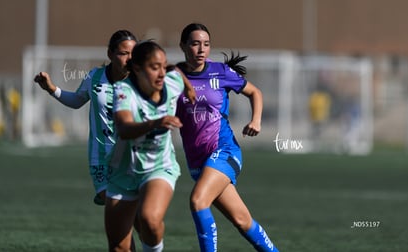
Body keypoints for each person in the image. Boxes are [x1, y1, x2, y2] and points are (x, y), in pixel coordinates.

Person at [176, 23, 280, 252]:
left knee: (197, 201)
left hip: (224, 151)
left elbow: (255, 92)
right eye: (195, 44)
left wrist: (256, 120)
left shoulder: (220, 72)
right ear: (183, 46)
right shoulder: (173, 77)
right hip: (197, 162)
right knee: (243, 220)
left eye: (206, 44)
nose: (201, 49)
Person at [34, 30, 138, 206]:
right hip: (101, 157)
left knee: (135, 216)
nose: (129, 59)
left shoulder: (141, 80)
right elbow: (77, 101)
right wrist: (52, 89)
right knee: (115, 206)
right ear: (110, 54)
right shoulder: (95, 76)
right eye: (123, 53)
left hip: (131, 156)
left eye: (133, 54)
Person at [104, 40, 189, 252]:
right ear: (137, 68)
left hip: (160, 166)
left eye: (163, 66)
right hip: (124, 171)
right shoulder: (124, 91)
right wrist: (156, 123)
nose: (161, 73)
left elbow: (176, 73)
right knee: (119, 247)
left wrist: (189, 88)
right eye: (154, 67)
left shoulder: (171, 83)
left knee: (149, 219)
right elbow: (124, 128)